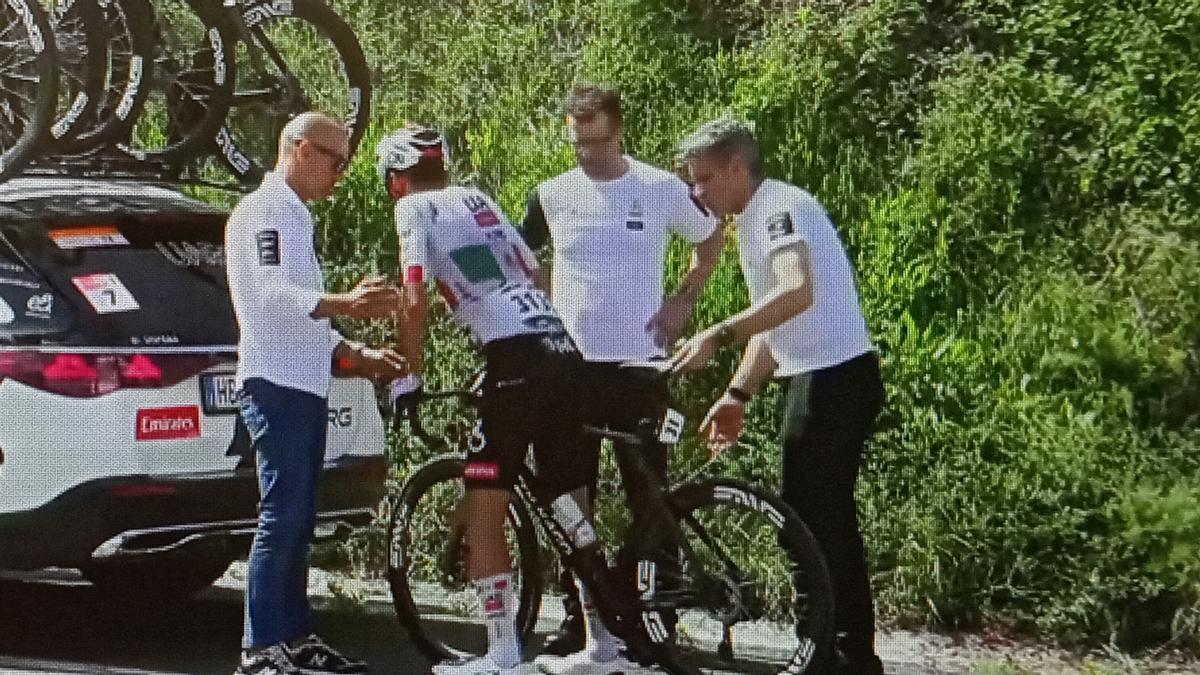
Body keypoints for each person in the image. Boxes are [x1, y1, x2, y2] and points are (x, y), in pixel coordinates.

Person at [668, 118, 887, 675]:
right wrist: (737, 393)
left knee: (811, 525)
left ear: (736, 168)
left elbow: (796, 291)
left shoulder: (776, 209)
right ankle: (839, 651)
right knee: (815, 521)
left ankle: (837, 652)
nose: (697, 192)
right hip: (821, 376)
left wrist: (717, 334)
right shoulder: (757, 216)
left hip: (834, 377)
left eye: (703, 178)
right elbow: (775, 322)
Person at [377, 125, 598, 675]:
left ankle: (502, 654)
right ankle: (607, 641)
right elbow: (537, 276)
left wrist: (409, 377)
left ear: (395, 180)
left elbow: (413, 298)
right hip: (558, 345)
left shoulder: (412, 209)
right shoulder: (479, 200)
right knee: (570, 504)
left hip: (515, 357)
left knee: (483, 501)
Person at [519, 83, 722, 675]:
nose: (588, 154)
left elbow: (711, 239)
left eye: (598, 142)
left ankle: (654, 619)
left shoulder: (659, 188)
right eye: (578, 143)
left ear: (619, 131)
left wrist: (683, 301)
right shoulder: (552, 194)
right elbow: (518, 256)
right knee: (569, 494)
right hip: (570, 369)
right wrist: (543, 301)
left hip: (639, 369)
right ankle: (582, 618)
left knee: (649, 496)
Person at [226, 112, 409, 675]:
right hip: (275, 384)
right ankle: (262, 648)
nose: (342, 173)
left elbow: (303, 317)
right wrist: (347, 303)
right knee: (281, 516)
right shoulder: (265, 210)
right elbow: (271, 293)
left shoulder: (294, 215)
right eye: (337, 160)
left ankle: (294, 637)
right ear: (303, 150)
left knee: (299, 517)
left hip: (302, 384)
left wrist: (357, 354)